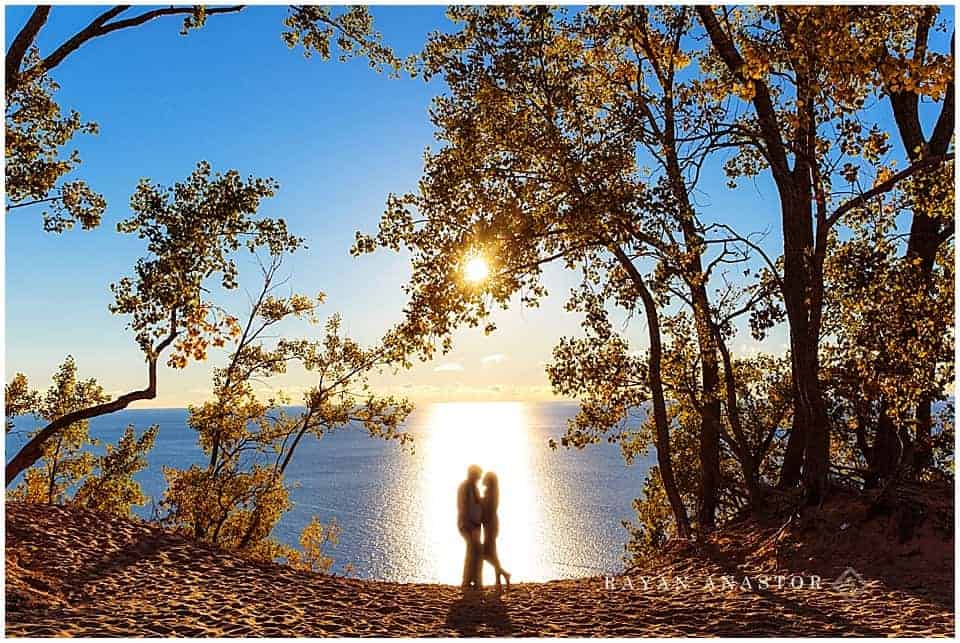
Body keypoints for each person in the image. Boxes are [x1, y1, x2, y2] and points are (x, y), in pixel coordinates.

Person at [481, 471, 511, 592]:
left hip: (490, 525)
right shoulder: (492, 492)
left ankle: (503, 574)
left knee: (486, 553)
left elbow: (488, 508)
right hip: (490, 524)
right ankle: (499, 579)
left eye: (486, 479)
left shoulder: (491, 493)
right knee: (492, 553)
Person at [457, 464, 484, 590]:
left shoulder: (474, 488)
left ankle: (473, 579)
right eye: (477, 475)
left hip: (475, 525)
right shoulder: (466, 487)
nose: (478, 477)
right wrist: (468, 523)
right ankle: (468, 580)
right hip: (468, 524)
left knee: (475, 551)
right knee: (473, 550)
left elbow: (476, 504)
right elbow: (463, 507)